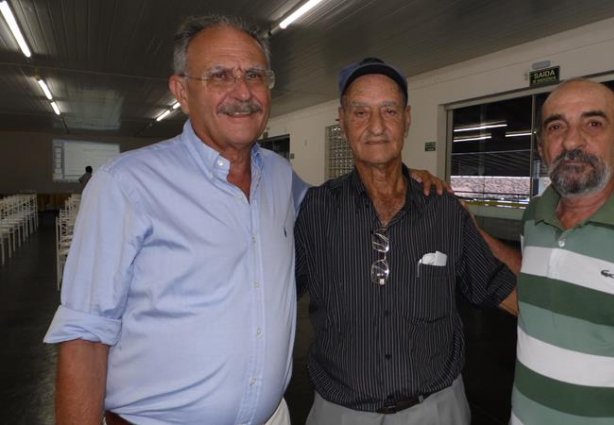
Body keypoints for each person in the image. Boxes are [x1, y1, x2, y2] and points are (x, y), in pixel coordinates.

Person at [43, 16, 443, 425]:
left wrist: (398, 177)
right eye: (219, 75)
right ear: (181, 90)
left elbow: (346, 204)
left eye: (255, 74)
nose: (243, 92)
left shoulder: (279, 176)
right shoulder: (125, 186)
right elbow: (84, 338)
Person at [294, 57, 518, 425]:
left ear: (408, 119)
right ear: (342, 121)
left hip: (436, 409)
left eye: (389, 111)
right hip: (341, 413)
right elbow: (274, 298)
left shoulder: (444, 209)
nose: (377, 126)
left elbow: (499, 287)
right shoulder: (315, 209)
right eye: (361, 112)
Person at [510, 79, 614, 424]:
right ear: (542, 147)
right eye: (557, 126)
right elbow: (537, 283)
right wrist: (467, 225)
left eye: (593, 123)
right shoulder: (534, 215)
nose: (571, 141)